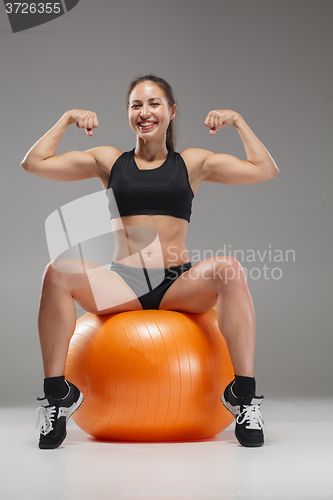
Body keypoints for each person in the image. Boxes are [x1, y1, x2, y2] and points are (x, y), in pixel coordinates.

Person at [21, 74, 279, 450]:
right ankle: (56, 396)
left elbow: (265, 169)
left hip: (178, 283)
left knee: (230, 269)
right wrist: (66, 119)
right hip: (124, 284)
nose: (145, 112)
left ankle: (244, 395)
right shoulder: (109, 161)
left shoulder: (192, 163)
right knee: (57, 273)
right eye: (136, 105)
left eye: (154, 103)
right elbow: (34, 163)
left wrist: (238, 121)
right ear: (128, 113)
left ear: (171, 112)